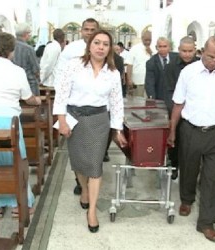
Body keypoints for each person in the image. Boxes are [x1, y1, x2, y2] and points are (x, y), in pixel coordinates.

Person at [167, 35, 215, 242]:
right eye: (210, 56)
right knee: (188, 168)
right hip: (190, 129)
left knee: (212, 178)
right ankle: (187, 199)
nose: (214, 62)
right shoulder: (188, 72)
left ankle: (206, 223)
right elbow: (178, 104)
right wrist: (172, 130)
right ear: (202, 51)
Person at [53, 30, 127, 233]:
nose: (101, 47)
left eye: (105, 44)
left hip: (98, 121)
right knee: (78, 162)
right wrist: (61, 120)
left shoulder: (112, 73)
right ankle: (84, 189)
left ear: (110, 48)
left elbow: (116, 103)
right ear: (89, 45)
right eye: (97, 43)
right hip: (74, 118)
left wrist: (117, 128)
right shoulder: (74, 66)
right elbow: (62, 93)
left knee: (95, 166)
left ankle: (92, 211)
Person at [0, 32, 41, 217]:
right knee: (17, 161)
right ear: (11, 50)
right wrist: (38, 100)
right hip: (8, 121)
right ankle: (20, 203)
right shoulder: (16, 71)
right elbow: (28, 98)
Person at [54, 18, 99, 195]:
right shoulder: (71, 49)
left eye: (92, 29)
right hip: (73, 106)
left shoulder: (101, 48)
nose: (89, 32)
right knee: (76, 148)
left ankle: (90, 180)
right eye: (86, 29)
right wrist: (62, 102)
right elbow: (60, 73)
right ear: (81, 31)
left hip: (95, 107)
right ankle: (80, 181)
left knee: (92, 148)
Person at [164, 36, 198, 180]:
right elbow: (169, 91)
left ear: (195, 50)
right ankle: (174, 164)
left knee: (192, 143)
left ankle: (191, 169)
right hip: (176, 109)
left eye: (190, 51)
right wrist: (175, 111)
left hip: (195, 110)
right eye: (184, 51)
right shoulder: (170, 67)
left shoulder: (200, 65)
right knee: (175, 139)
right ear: (178, 50)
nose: (187, 54)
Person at [12, 23, 41, 96]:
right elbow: (36, 69)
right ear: (25, 34)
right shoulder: (28, 49)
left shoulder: (10, 46)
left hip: (14, 83)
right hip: (29, 83)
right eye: (29, 33)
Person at [126, 30, 155, 97]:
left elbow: (155, 64)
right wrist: (129, 80)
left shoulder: (153, 49)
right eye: (146, 40)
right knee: (138, 103)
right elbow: (129, 65)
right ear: (142, 38)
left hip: (149, 83)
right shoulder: (134, 49)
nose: (148, 42)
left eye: (149, 40)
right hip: (137, 82)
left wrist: (151, 53)